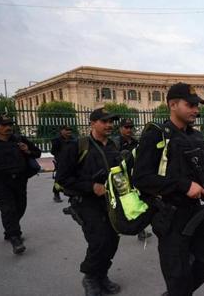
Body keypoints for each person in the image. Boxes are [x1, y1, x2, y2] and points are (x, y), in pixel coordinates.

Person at [132, 82, 204, 296]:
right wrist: (183, 185)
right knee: (177, 273)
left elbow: (203, 175)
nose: (196, 110)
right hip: (171, 216)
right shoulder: (157, 135)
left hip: (199, 212)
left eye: (197, 105)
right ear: (173, 104)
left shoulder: (195, 136)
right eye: (191, 104)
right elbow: (141, 178)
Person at [55, 108, 123, 296]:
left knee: (112, 240)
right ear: (92, 123)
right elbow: (62, 178)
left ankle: (102, 275)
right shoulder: (78, 146)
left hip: (111, 201)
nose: (109, 125)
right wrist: (91, 186)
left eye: (111, 121)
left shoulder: (114, 146)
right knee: (99, 240)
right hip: (86, 202)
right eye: (104, 121)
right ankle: (90, 277)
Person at [0, 115, 42, 254]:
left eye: (10, 124)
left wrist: (26, 150)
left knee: (20, 207)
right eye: (4, 125)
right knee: (8, 208)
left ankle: (10, 229)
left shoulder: (19, 140)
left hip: (20, 180)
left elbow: (37, 153)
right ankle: (15, 237)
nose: (8, 127)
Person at [113, 118, 152, 241]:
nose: (129, 130)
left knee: (135, 202)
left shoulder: (135, 142)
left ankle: (140, 229)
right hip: (119, 179)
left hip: (132, 177)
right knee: (118, 203)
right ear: (120, 128)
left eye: (131, 127)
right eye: (126, 127)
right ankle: (115, 226)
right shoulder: (115, 143)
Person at [50, 125, 75, 203]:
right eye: (66, 130)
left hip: (72, 162)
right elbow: (53, 151)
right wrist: (60, 157)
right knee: (59, 179)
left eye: (70, 130)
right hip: (61, 163)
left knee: (74, 178)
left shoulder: (73, 139)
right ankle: (56, 194)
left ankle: (73, 194)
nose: (69, 132)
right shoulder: (56, 140)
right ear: (61, 131)